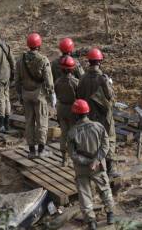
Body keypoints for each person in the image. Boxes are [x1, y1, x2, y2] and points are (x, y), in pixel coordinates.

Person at [67, 99, 114, 229]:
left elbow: (72, 154)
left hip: (82, 168)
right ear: (87, 112)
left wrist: (86, 162)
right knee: (104, 189)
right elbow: (106, 146)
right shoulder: (98, 127)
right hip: (98, 165)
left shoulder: (72, 132)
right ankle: (110, 214)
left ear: (75, 114)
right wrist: (96, 160)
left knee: (84, 194)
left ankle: (91, 222)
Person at [76, 48, 117, 177]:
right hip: (104, 116)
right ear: (99, 61)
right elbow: (110, 96)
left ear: (89, 61)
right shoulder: (103, 78)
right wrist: (109, 84)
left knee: (92, 140)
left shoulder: (82, 78)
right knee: (109, 139)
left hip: (88, 115)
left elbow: (79, 95)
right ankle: (111, 168)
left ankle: (92, 167)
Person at [15, 33, 55, 159]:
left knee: (29, 123)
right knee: (42, 122)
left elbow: (17, 80)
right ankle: (41, 150)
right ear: (39, 45)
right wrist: (51, 94)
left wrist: (19, 95)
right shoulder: (43, 60)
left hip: (26, 94)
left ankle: (32, 151)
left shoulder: (20, 60)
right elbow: (48, 81)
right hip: (39, 95)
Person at [54, 55, 79, 166]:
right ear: (72, 68)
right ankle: (74, 158)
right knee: (73, 133)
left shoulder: (57, 82)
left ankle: (64, 159)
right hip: (72, 109)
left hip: (61, 109)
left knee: (64, 133)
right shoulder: (75, 82)